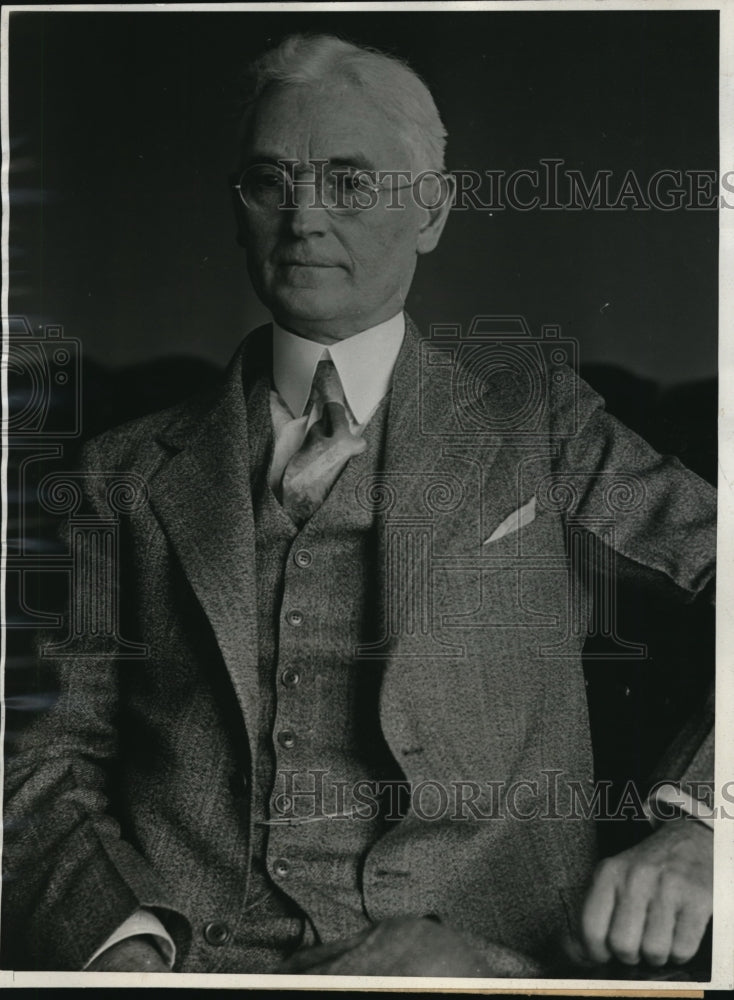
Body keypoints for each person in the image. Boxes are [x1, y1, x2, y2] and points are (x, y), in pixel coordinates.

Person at [3, 33, 716, 977]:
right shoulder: (116, 474)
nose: (302, 218)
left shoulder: (536, 423)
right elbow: (41, 759)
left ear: (432, 211)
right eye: (270, 181)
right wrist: (121, 946)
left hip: (480, 964)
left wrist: (704, 829)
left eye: (349, 181)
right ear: (238, 209)